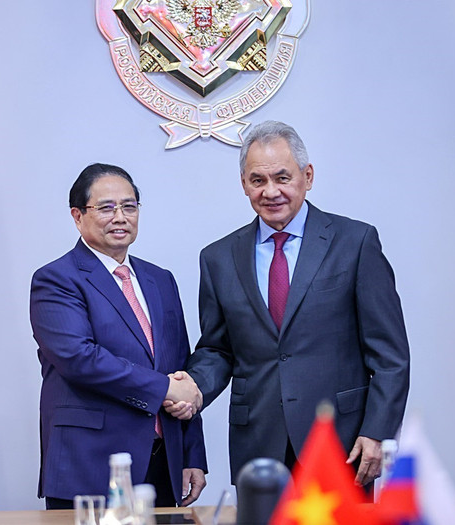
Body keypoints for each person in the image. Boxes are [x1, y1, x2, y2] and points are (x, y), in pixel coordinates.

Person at [168, 121, 410, 487]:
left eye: (283, 177)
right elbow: (218, 349)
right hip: (259, 444)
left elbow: (390, 355)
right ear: (244, 184)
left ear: (307, 176)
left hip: (342, 443)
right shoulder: (218, 257)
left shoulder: (355, 242)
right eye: (258, 180)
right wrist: (194, 388)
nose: (271, 191)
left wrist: (378, 431)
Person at [30, 163, 207, 509]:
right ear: (77, 215)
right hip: (92, 465)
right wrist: (165, 389)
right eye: (106, 207)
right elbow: (81, 359)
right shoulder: (56, 280)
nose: (120, 217)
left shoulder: (161, 280)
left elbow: (180, 368)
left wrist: (193, 454)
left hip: (162, 463)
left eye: (129, 206)